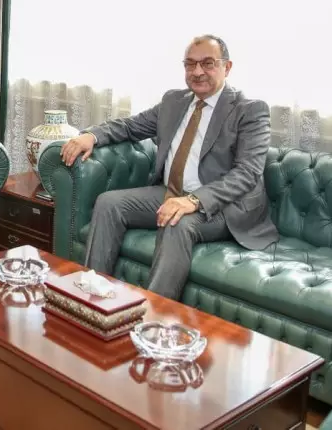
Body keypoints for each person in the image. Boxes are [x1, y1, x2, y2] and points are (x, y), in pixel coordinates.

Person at [60, 34, 279, 300]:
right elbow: (130, 126)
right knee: (109, 203)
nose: (197, 71)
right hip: (172, 193)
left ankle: (153, 315)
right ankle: (91, 298)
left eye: (208, 63)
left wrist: (193, 201)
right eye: (190, 64)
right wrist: (91, 136)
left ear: (227, 67)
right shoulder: (174, 101)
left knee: (176, 221)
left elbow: (247, 173)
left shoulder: (250, 110)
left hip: (224, 207)